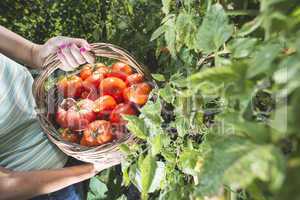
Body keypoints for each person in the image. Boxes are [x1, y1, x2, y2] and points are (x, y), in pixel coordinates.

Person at [0, 25, 119, 200]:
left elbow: (33, 53)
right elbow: (6, 186)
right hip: (46, 189)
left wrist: (51, 53)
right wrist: (93, 168)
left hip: (74, 134)